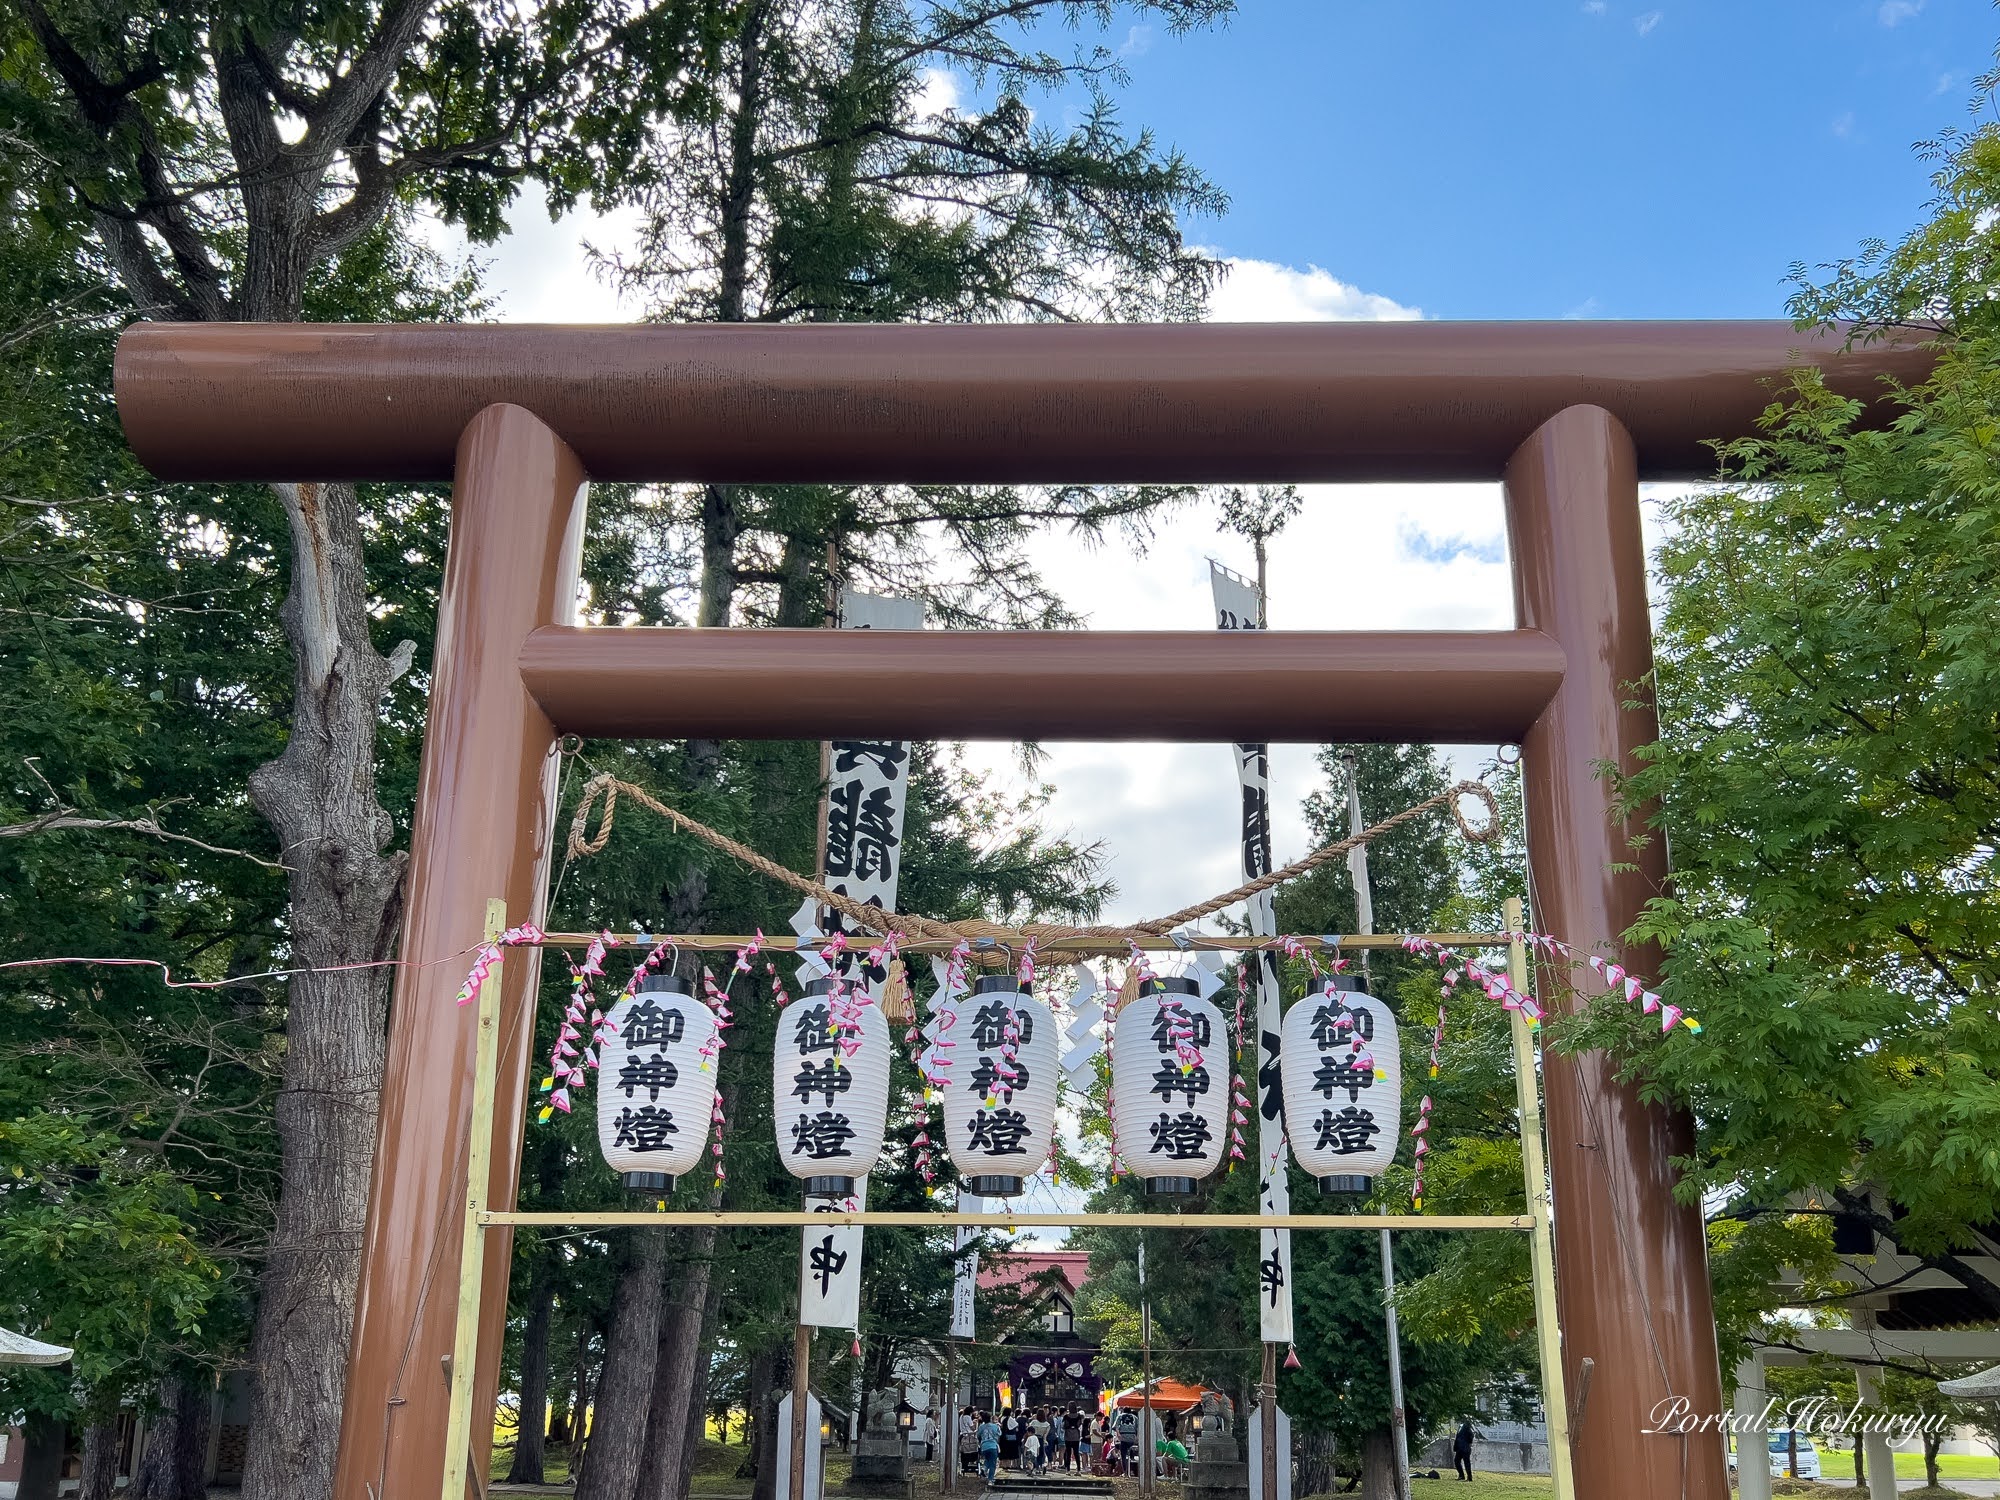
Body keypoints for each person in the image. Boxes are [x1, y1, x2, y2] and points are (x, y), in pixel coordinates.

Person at [978, 1412, 1001, 1485]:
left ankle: (984, 1468)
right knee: (993, 1464)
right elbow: (999, 1434)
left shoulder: (981, 1427)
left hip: (984, 1446)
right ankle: (990, 1479)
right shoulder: (995, 1426)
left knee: (987, 1459)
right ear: (990, 1418)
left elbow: (978, 1435)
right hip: (993, 1445)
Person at [959, 1410, 979, 1475]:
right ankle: (972, 1461)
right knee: (972, 1449)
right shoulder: (967, 1417)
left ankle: (964, 1465)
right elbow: (972, 1428)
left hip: (963, 1436)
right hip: (970, 1437)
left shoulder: (961, 1417)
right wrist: (975, 1425)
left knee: (964, 1450)